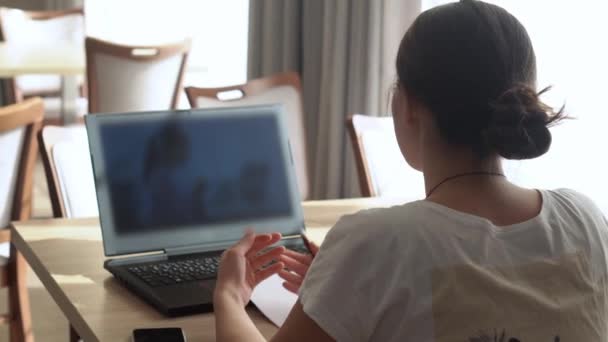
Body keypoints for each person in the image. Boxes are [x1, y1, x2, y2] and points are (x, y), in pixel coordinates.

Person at [212, 0, 608, 341]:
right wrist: (338, 286)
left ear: (409, 105)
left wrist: (230, 295)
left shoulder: (376, 244)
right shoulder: (584, 219)